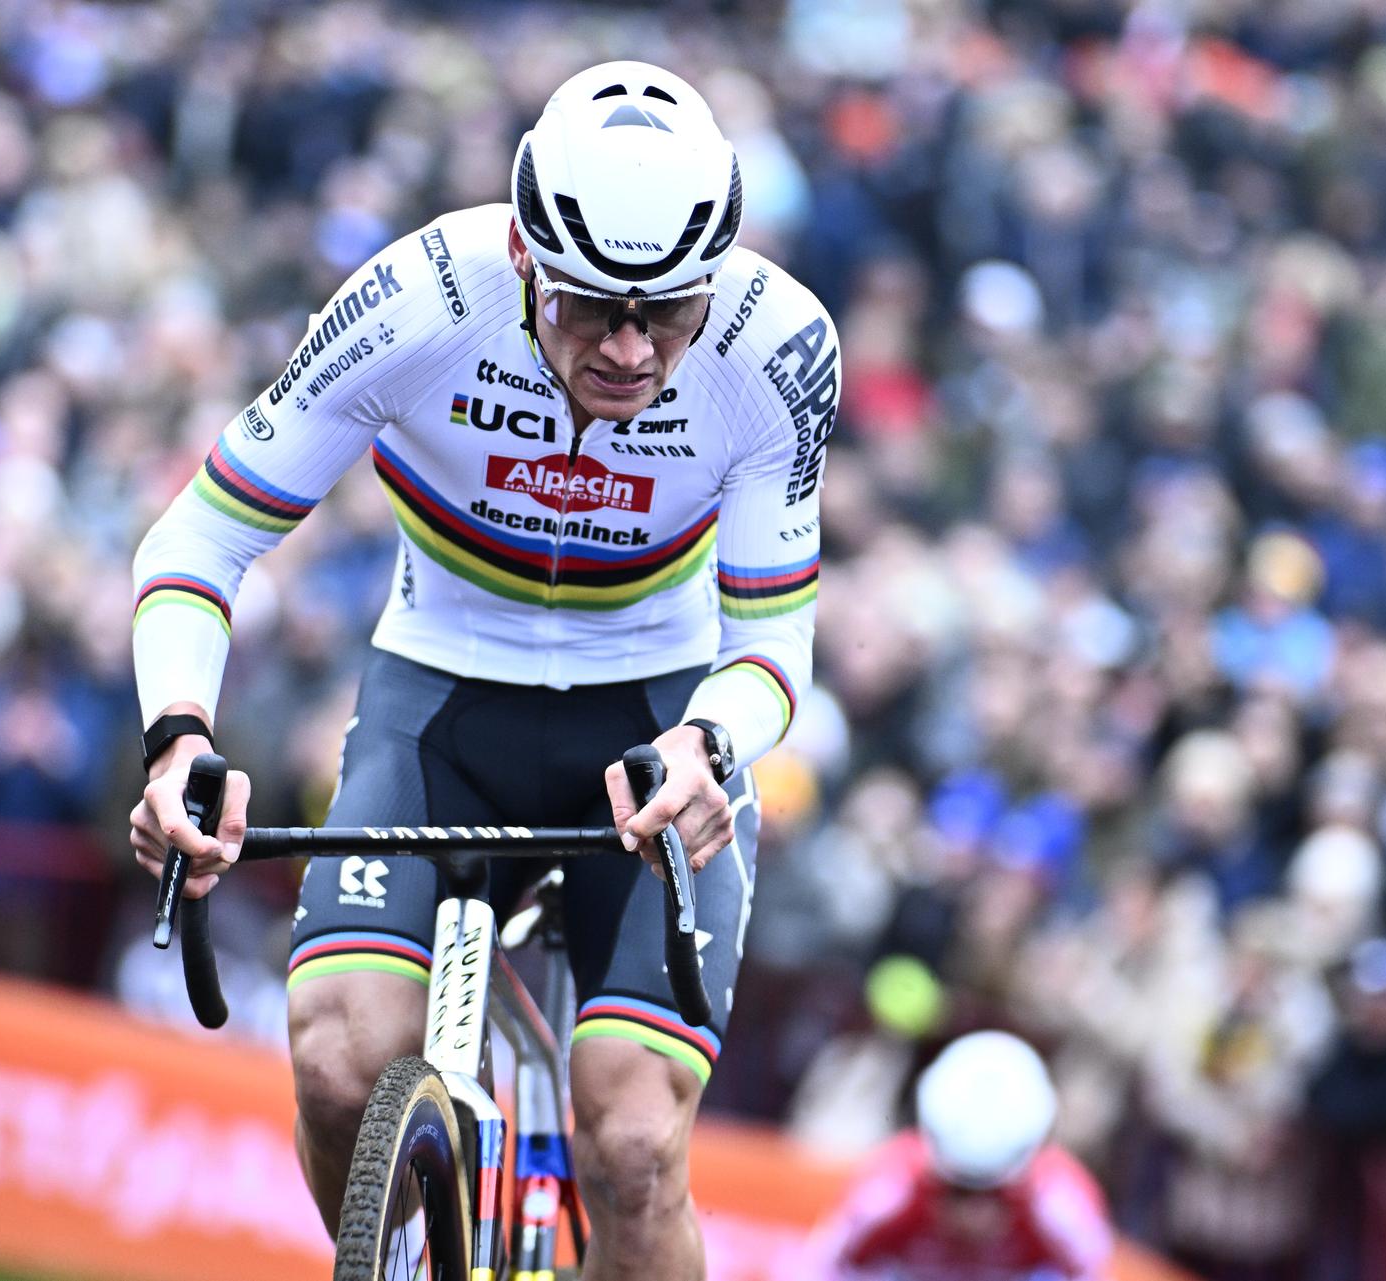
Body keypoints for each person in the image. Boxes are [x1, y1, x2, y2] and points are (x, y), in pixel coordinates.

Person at [125, 61, 834, 1280]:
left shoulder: (777, 350)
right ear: (519, 254)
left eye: (666, 315)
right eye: (587, 308)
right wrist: (178, 736)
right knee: (341, 1065)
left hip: (653, 727)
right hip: (439, 704)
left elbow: (772, 639)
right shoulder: (417, 299)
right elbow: (204, 533)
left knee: (633, 1141)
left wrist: (710, 745)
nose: (627, 349)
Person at [813, 1031, 1114, 1280]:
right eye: (956, 1191)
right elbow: (824, 1268)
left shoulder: (1064, 1209)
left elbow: (1090, 1272)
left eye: (998, 1195)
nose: (973, 1215)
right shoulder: (886, 1193)